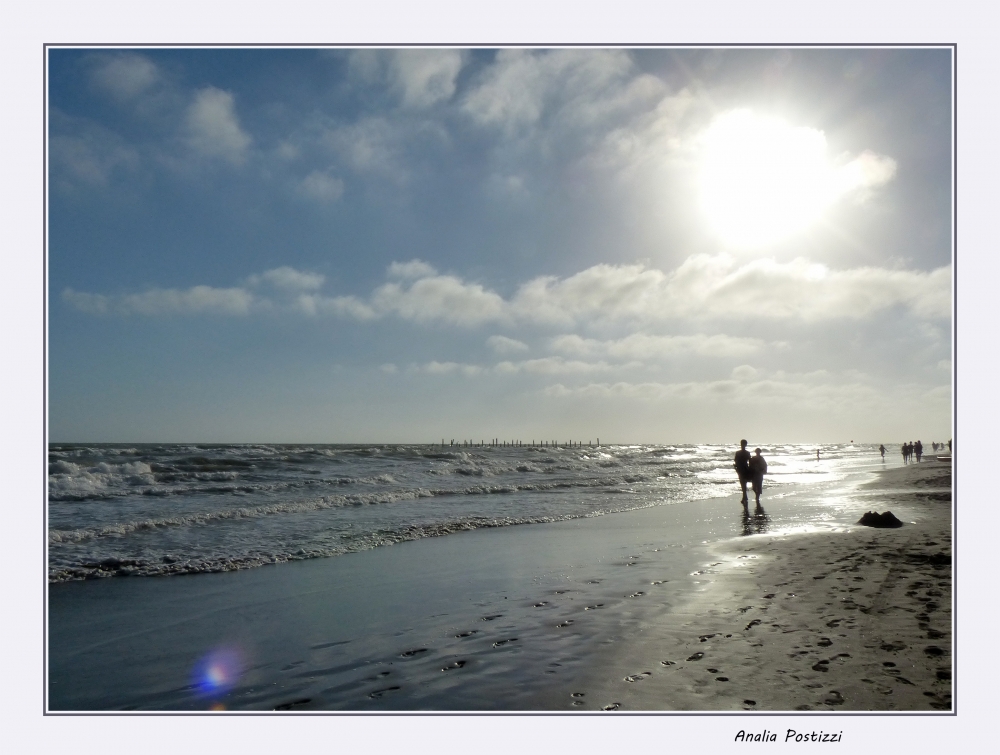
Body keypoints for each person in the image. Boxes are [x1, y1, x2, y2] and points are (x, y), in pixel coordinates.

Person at [734, 439, 752, 505]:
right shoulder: (747, 453)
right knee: (744, 482)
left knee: (742, 483)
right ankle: (745, 496)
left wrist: (736, 467)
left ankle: (744, 496)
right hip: (745, 468)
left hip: (741, 469)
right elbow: (750, 461)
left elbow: (736, 461)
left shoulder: (738, 453)